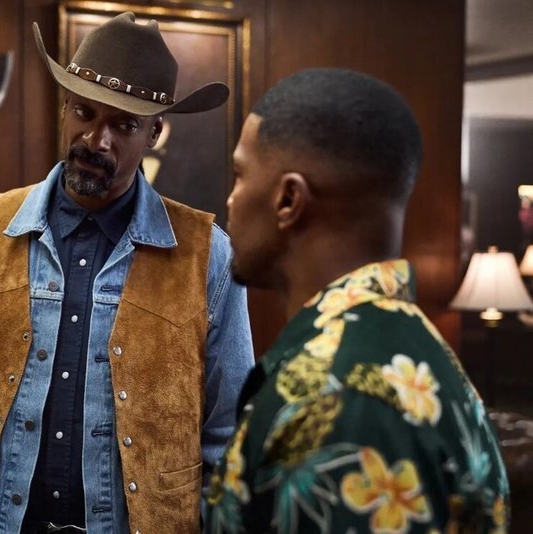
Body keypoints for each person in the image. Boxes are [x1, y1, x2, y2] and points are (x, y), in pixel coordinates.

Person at [0, 11, 254, 534]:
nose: (97, 141)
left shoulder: (207, 256)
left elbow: (230, 436)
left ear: (155, 133)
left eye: (124, 125)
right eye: (84, 112)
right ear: (64, 107)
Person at [205, 68, 510, 533]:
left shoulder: (335, 397)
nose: (230, 200)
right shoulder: (415, 349)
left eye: (240, 175)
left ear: (288, 199)